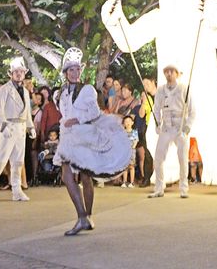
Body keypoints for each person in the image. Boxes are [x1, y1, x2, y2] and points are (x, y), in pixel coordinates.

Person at [55, 48, 131, 235]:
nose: (75, 73)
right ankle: (83, 217)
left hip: (84, 135)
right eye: (71, 70)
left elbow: (95, 112)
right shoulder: (61, 93)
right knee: (67, 175)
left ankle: (86, 217)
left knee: (85, 176)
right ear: (65, 72)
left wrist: (78, 120)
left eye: (77, 69)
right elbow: (65, 115)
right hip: (68, 137)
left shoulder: (87, 90)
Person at [0, 57, 35, 204]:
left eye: (21, 71)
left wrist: (30, 126)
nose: (19, 74)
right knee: (1, 160)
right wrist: (3, 126)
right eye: (16, 71)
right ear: (10, 73)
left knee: (18, 161)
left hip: (21, 128)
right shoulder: (3, 90)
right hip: (9, 127)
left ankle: (17, 190)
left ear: (24, 73)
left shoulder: (25, 91)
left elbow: (27, 111)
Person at [148, 65, 195, 199]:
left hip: (180, 127)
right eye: (167, 72)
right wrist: (157, 123)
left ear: (176, 74)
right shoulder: (161, 90)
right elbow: (156, 108)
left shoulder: (183, 88)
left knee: (183, 159)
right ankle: (159, 188)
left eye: (171, 72)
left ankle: (184, 188)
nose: (169, 74)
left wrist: (187, 127)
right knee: (158, 158)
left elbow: (192, 111)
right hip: (166, 127)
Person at [120, 115, 138, 188]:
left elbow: (136, 141)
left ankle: (132, 182)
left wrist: (133, 147)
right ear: (123, 124)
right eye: (126, 122)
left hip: (131, 151)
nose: (127, 123)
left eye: (129, 121)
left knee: (131, 166)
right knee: (125, 167)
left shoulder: (134, 132)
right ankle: (124, 181)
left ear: (132, 123)